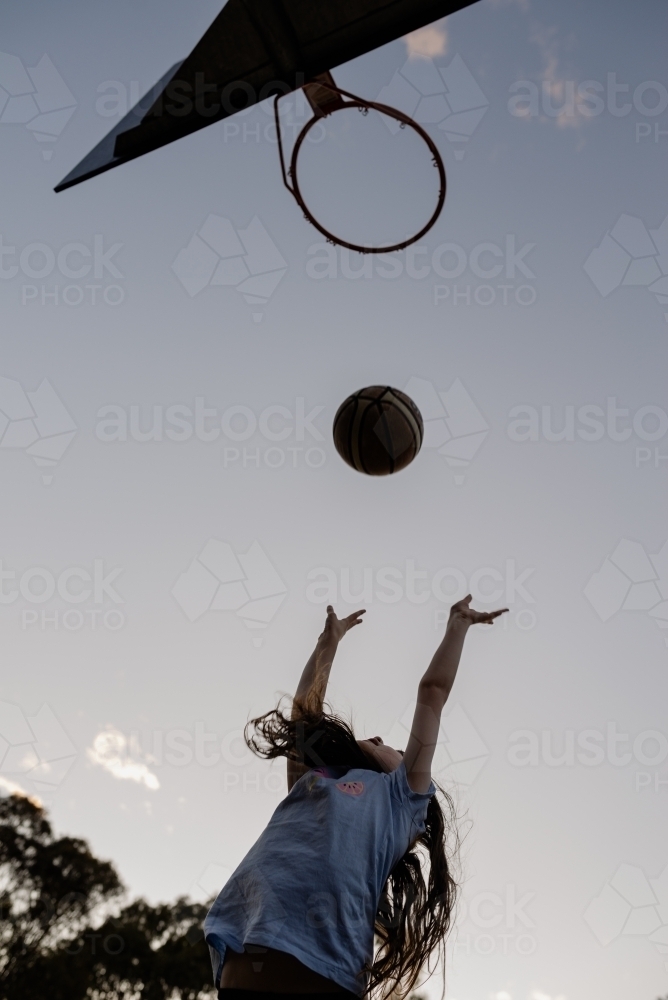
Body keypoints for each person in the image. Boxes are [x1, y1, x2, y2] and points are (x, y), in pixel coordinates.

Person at [205, 596, 508, 1000]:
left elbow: (432, 692)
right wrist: (327, 644)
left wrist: (457, 626)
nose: (383, 739)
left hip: (328, 973)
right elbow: (304, 715)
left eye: (397, 749)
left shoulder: (400, 798)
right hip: (244, 959)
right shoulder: (315, 779)